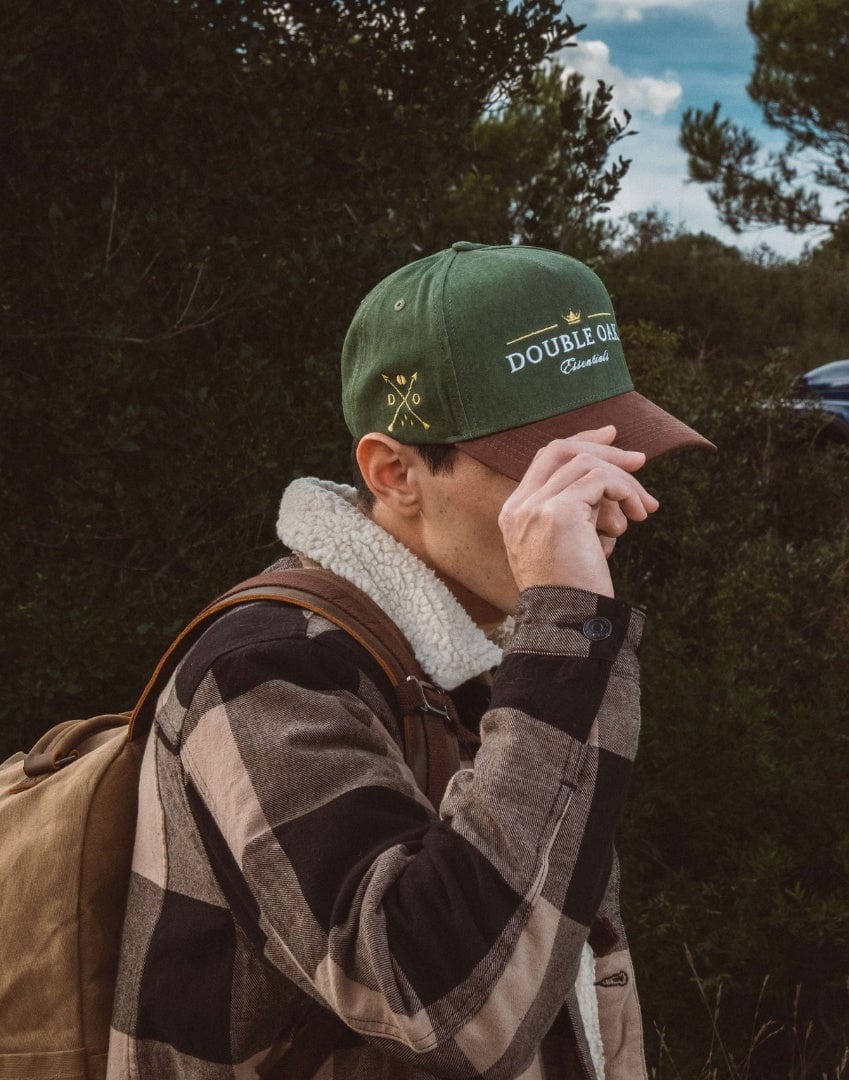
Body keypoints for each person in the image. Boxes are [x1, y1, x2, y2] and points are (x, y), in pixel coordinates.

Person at [107, 241, 714, 1079]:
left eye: (611, 466)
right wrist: (568, 637)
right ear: (394, 472)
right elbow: (446, 1013)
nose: (607, 519)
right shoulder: (263, 675)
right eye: (553, 475)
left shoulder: (502, 650)